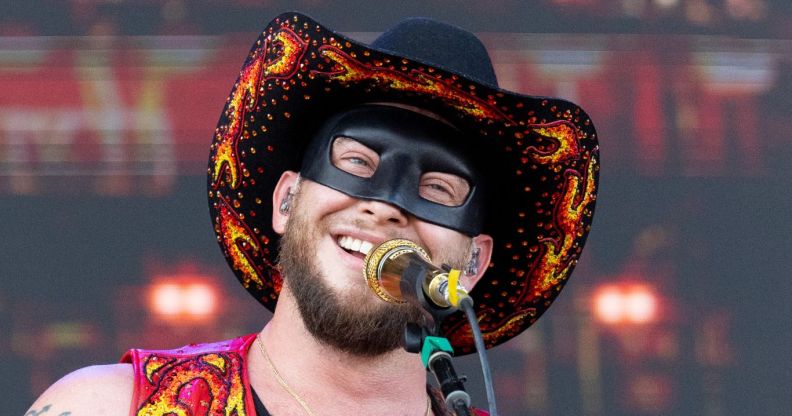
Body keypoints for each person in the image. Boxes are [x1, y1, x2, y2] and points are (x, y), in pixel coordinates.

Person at [26, 12, 598, 416]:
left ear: (471, 264)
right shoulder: (107, 407)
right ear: (287, 200)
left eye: (438, 188)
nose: (385, 205)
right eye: (356, 161)